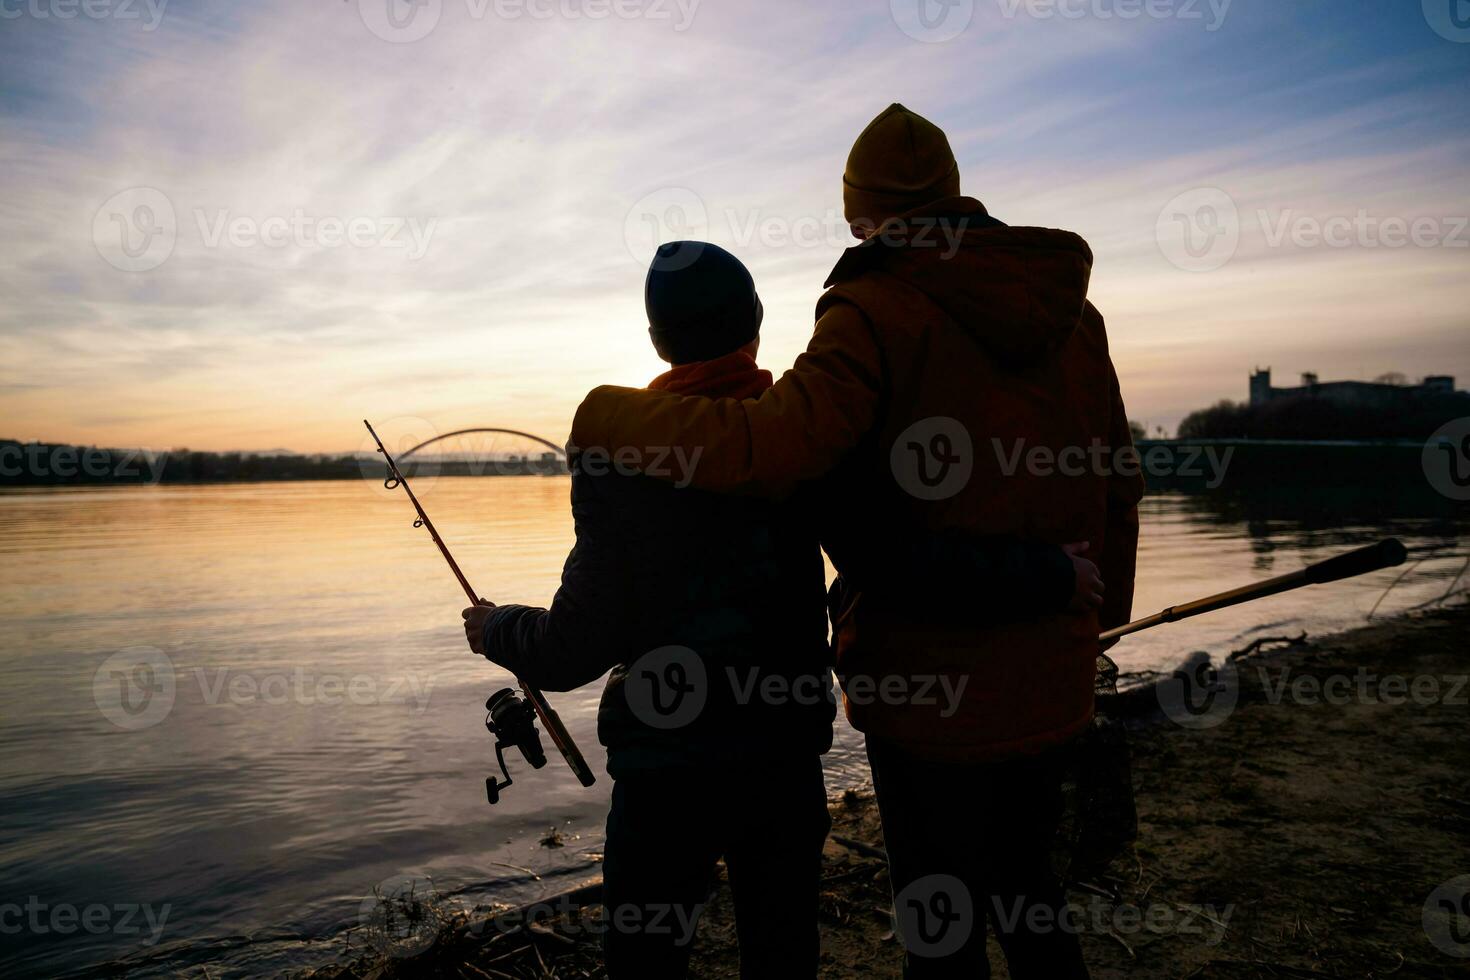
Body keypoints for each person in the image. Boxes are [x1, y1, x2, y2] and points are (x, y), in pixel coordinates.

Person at [566, 105, 1145, 977]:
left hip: (929, 695)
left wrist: (603, 411)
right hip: (1052, 673)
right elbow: (1119, 480)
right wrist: (1092, 620)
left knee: (940, 921)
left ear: (862, 215)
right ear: (953, 195)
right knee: (1031, 898)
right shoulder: (1075, 314)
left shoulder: (873, 310)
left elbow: (770, 448)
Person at [463, 239, 1112, 978]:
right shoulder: (809, 439)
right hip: (780, 759)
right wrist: (1047, 575)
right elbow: (897, 558)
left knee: (645, 960)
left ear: (655, 341)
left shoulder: (618, 461)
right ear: (758, 326)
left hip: (665, 772)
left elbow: (572, 649)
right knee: (782, 957)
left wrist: (497, 628)